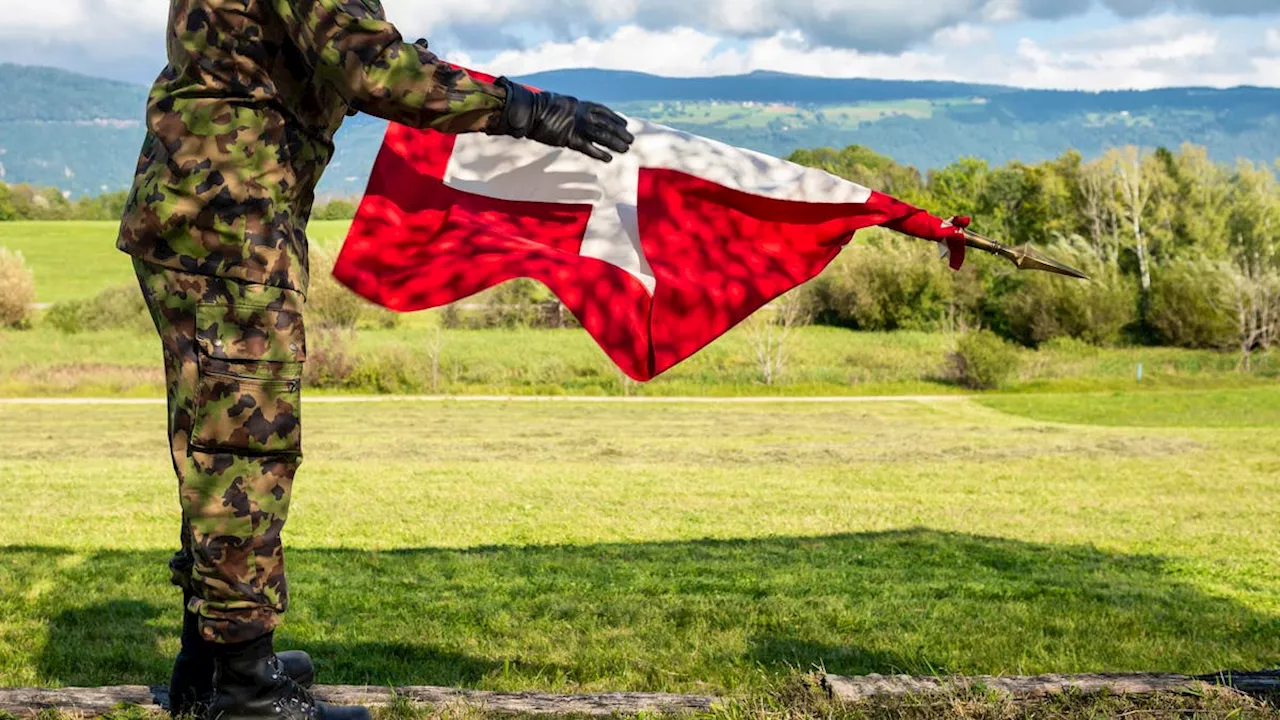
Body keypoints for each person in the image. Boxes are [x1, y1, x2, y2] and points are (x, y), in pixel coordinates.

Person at [116, 2, 635, 719]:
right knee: (244, 450)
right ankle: (245, 693)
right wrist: (531, 110)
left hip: (204, 209)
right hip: (228, 220)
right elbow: (372, 67)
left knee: (217, 444)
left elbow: (324, 60)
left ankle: (211, 662)